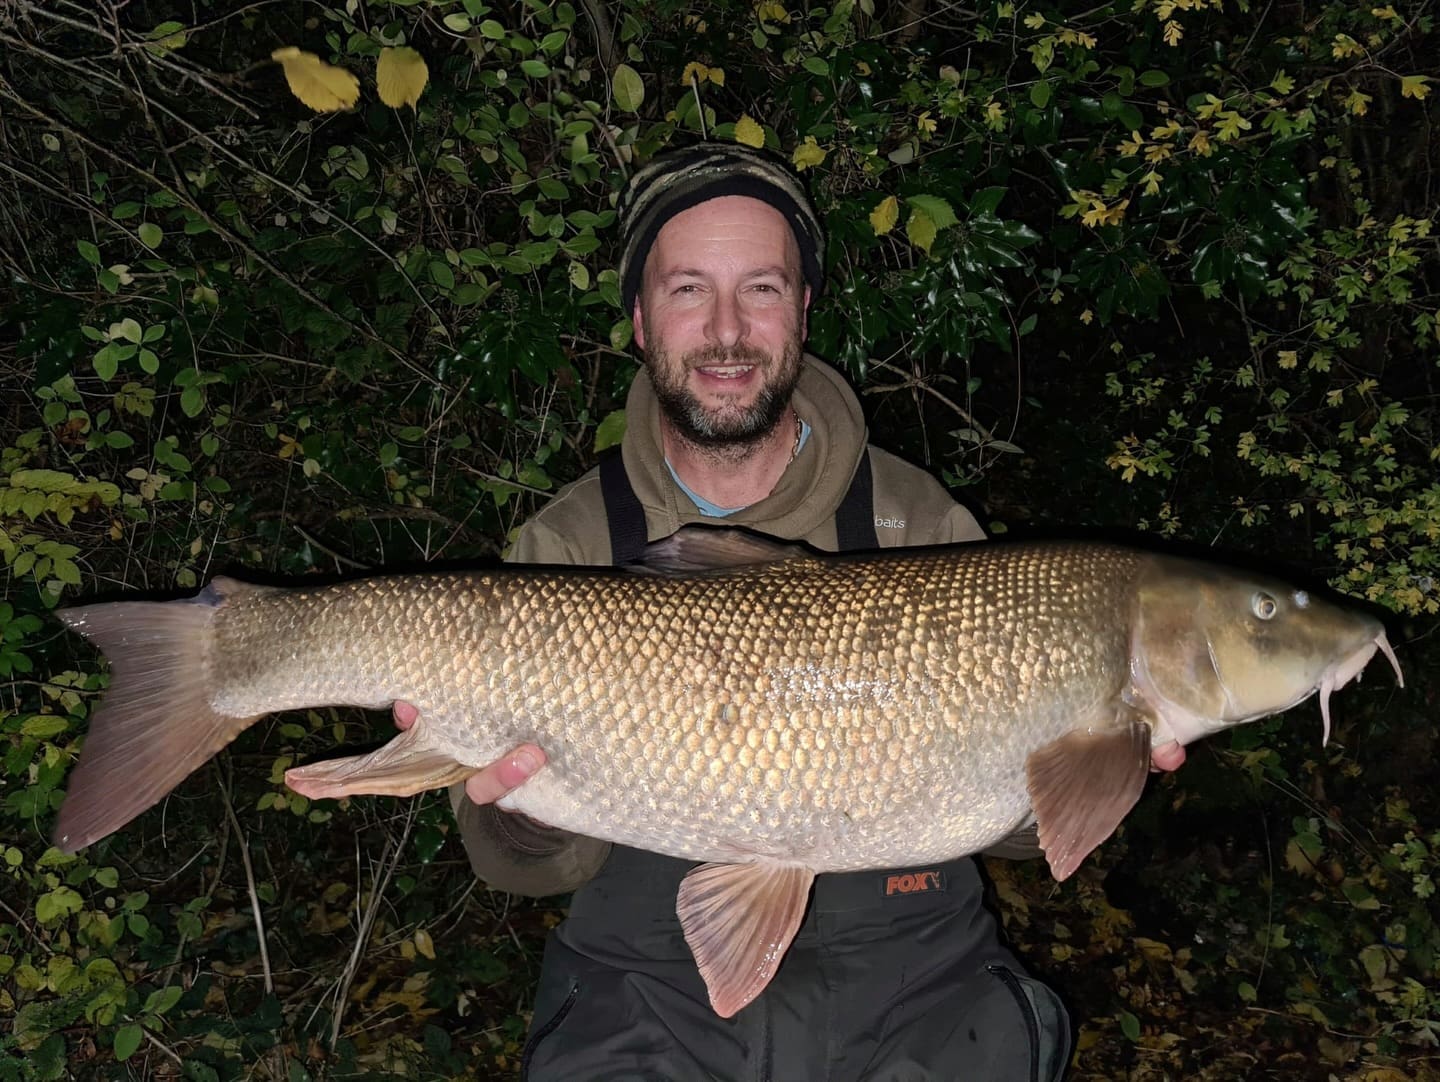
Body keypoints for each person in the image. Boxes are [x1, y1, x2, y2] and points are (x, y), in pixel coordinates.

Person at [396, 144, 1169, 1079]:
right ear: (640, 321)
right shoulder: (568, 542)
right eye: (689, 291)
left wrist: (1086, 765)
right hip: (649, 991)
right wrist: (519, 808)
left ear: (801, 311)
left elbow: (1003, 826)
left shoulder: (920, 523)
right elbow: (515, 866)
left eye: (760, 288)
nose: (727, 330)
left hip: (917, 990)